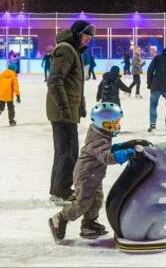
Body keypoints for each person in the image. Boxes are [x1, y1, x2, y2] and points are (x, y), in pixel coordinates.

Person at [48, 102, 136, 242]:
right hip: (86, 175)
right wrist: (125, 154)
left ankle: (89, 225)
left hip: (94, 175)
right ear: (104, 123)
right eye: (115, 123)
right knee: (83, 203)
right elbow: (106, 157)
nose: (118, 126)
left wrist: (121, 147)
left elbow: (106, 150)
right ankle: (60, 218)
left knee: (96, 200)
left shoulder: (102, 133)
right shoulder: (98, 138)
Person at [47, 20, 95, 205]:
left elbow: (75, 84)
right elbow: (55, 81)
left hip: (67, 109)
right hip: (62, 111)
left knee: (66, 151)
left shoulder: (75, 51)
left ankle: (58, 189)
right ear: (77, 34)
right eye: (85, 37)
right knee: (67, 151)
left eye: (89, 38)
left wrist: (80, 105)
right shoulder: (66, 49)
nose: (87, 41)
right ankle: (61, 192)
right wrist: (64, 108)